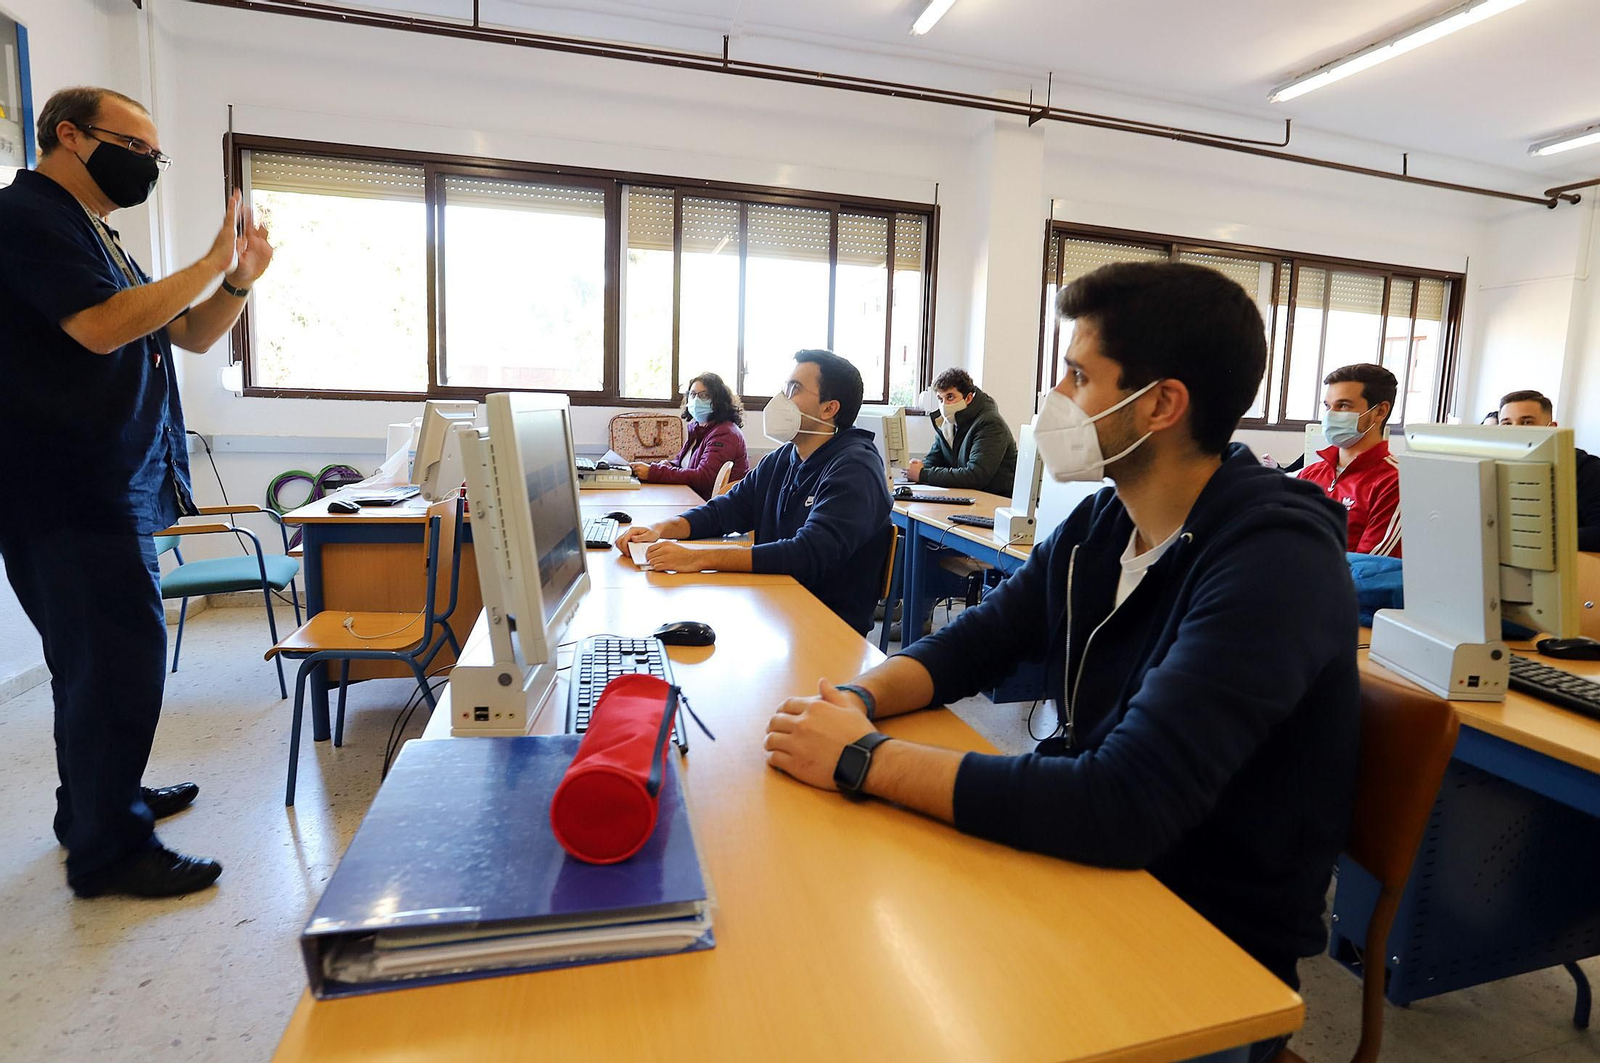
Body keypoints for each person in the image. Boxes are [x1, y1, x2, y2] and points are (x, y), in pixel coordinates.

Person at [761, 262, 1359, 1058]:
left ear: (1162, 404)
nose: (1056, 395)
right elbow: (976, 641)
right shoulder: (1107, 521)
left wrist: (863, 758)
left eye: (1079, 374)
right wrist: (856, 701)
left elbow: (1123, 803)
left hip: (1200, 942)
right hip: (1086, 871)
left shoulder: (1274, 561)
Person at [0, 87, 274, 898]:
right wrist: (209, 263)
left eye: (157, 154)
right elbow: (99, 327)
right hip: (68, 486)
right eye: (136, 148)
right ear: (69, 134)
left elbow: (185, 331)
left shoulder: (91, 230)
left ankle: (92, 807)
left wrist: (237, 282)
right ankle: (110, 851)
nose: (149, 165)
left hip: (103, 479)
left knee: (93, 664)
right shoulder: (28, 217)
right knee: (117, 664)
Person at [616, 350, 891, 634]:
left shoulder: (856, 468)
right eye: (785, 388)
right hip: (774, 607)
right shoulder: (784, 458)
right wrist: (661, 529)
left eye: (794, 389)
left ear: (829, 409)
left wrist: (697, 557)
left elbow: (806, 554)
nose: (782, 398)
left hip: (825, 626)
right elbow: (724, 510)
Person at [1296, 363, 1402, 557]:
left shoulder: (1395, 482)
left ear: (1380, 411)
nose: (1330, 415)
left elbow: (1369, 566)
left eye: (1343, 406)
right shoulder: (1310, 473)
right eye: (1328, 406)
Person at [1498, 389, 1600, 551]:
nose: (1515, 431)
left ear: (1551, 428)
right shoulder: (1491, 467)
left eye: (1527, 422)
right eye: (1507, 424)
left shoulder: (1586, 468)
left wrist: (1536, 538)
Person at [629, 372, 749, 501]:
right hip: (693, 499)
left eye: (704, 395)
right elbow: (682, 464)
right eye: (692, 394)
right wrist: (667, 465)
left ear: (718, 400)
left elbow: (704, 478)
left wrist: (653, 472)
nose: (696, 400)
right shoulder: (698, 428)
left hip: (717, 506)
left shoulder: (725, 433)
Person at [907, 368, 1018, 494]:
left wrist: (923, 474)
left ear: (968, 398)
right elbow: (934, 460)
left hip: (995, 500)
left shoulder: (990, 424)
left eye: (950, 397)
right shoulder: (947, 425)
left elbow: (975, 476)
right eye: (940, 399)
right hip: (968, 497)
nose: (944, 405)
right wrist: (917, 467)